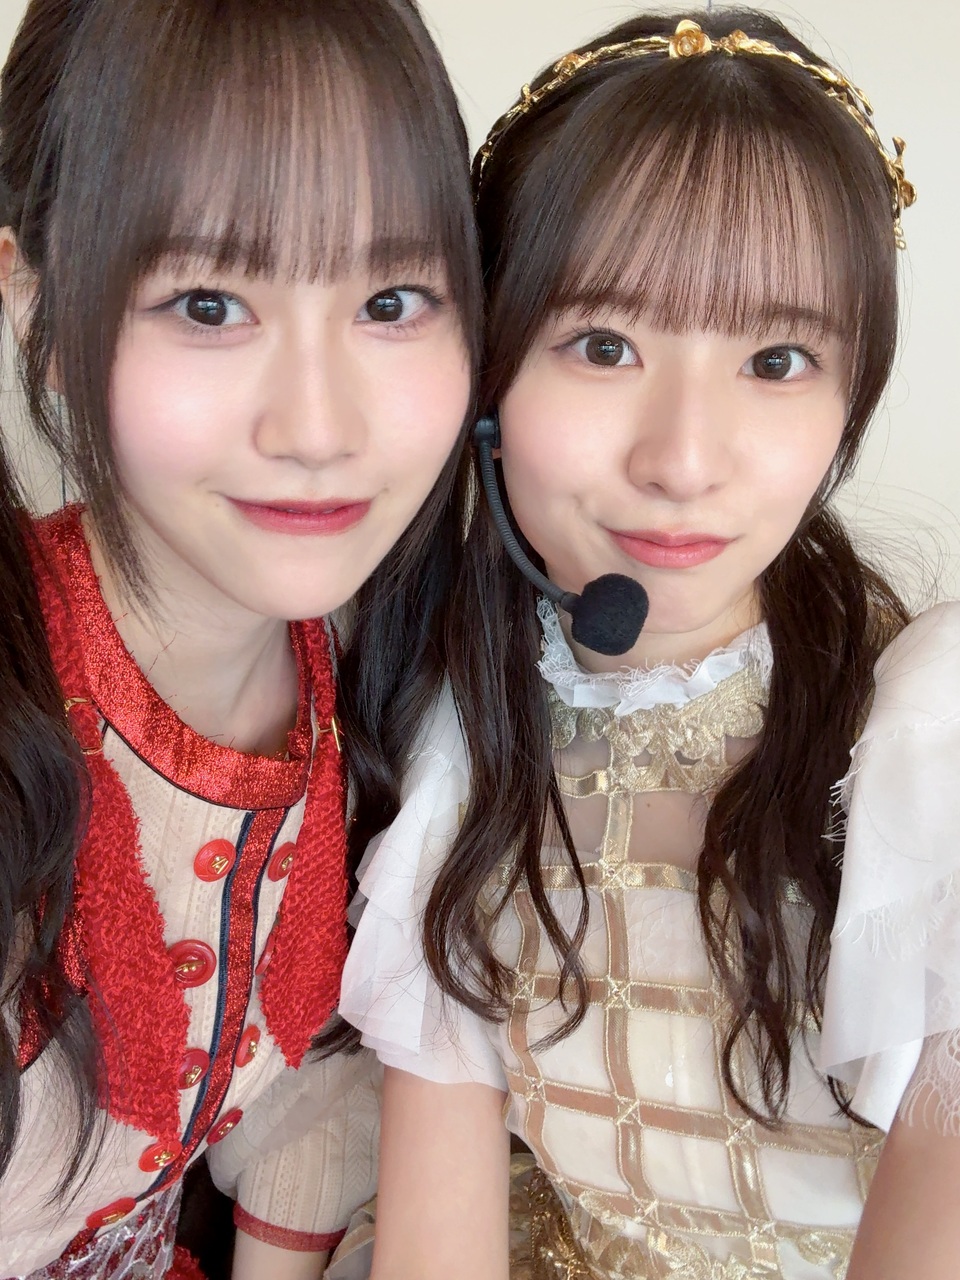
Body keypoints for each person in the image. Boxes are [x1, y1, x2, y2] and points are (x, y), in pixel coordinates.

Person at [335, 10, 933, 1279]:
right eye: (603, 345)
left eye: (777, 359)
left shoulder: (928, 740)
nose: (683, 459)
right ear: (487, 378)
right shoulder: (455, 733)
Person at [0, 0, 480, 1275]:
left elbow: (307, 1096)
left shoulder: (386, 681)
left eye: (391, 299)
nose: (318, 427)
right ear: (38, 306)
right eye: (208, 303)